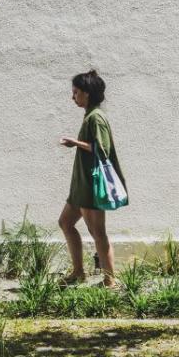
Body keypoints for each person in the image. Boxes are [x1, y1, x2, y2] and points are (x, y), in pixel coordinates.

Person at [59, 69, 126, 286]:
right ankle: (78, 272)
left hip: (90, 185)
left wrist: (75, 143)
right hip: (81, 186)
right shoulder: (90, 115)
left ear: (87, 93)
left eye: (76, 92)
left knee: (97, 232)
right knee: (65, 222)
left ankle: (110, 281)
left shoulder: (96, 117)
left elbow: (102, 148)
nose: (73, 97)